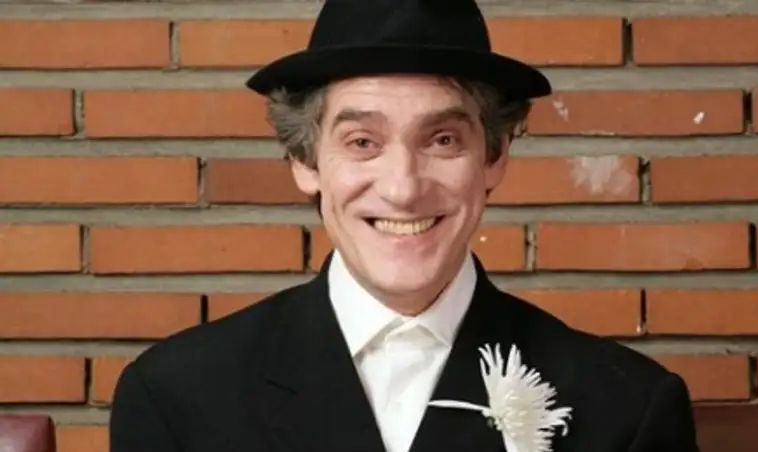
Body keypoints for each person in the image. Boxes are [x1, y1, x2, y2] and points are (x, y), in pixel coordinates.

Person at [109, 0, 701, 451]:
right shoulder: (174, 398)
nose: (403, 187)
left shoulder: (628, 408)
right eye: (362, 142)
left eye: (442, 140)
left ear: (494, 158)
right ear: (306, 162)